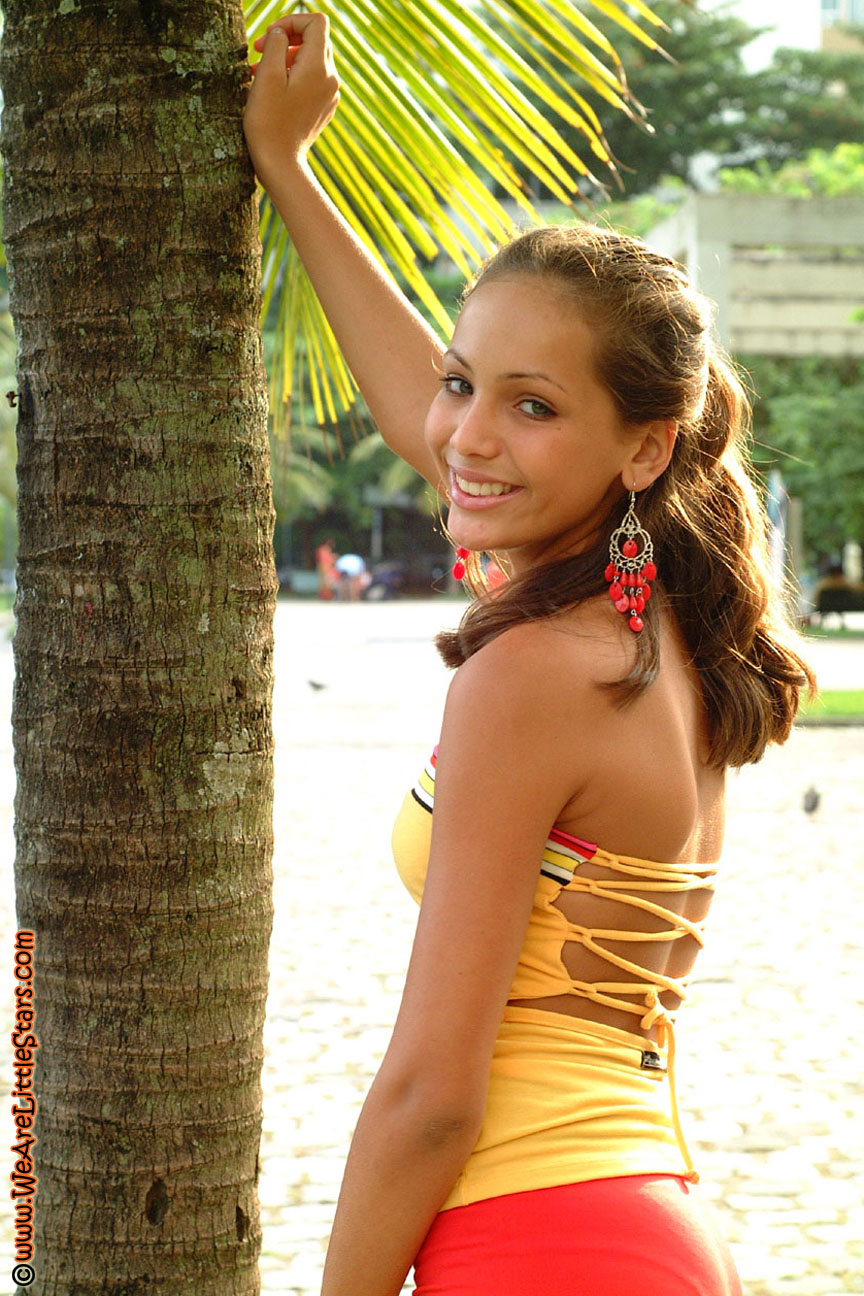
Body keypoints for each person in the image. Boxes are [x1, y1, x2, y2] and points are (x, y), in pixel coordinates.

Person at [244, 17, 815, 1296]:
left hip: (538, 1245)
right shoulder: (664, 638)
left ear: (645, 447)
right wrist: (291, 169)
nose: (466, 436)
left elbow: (432, 1095)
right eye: (465, 381)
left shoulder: (535, 672)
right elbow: (449, 434)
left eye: (535, 404)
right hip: (641, 1226)